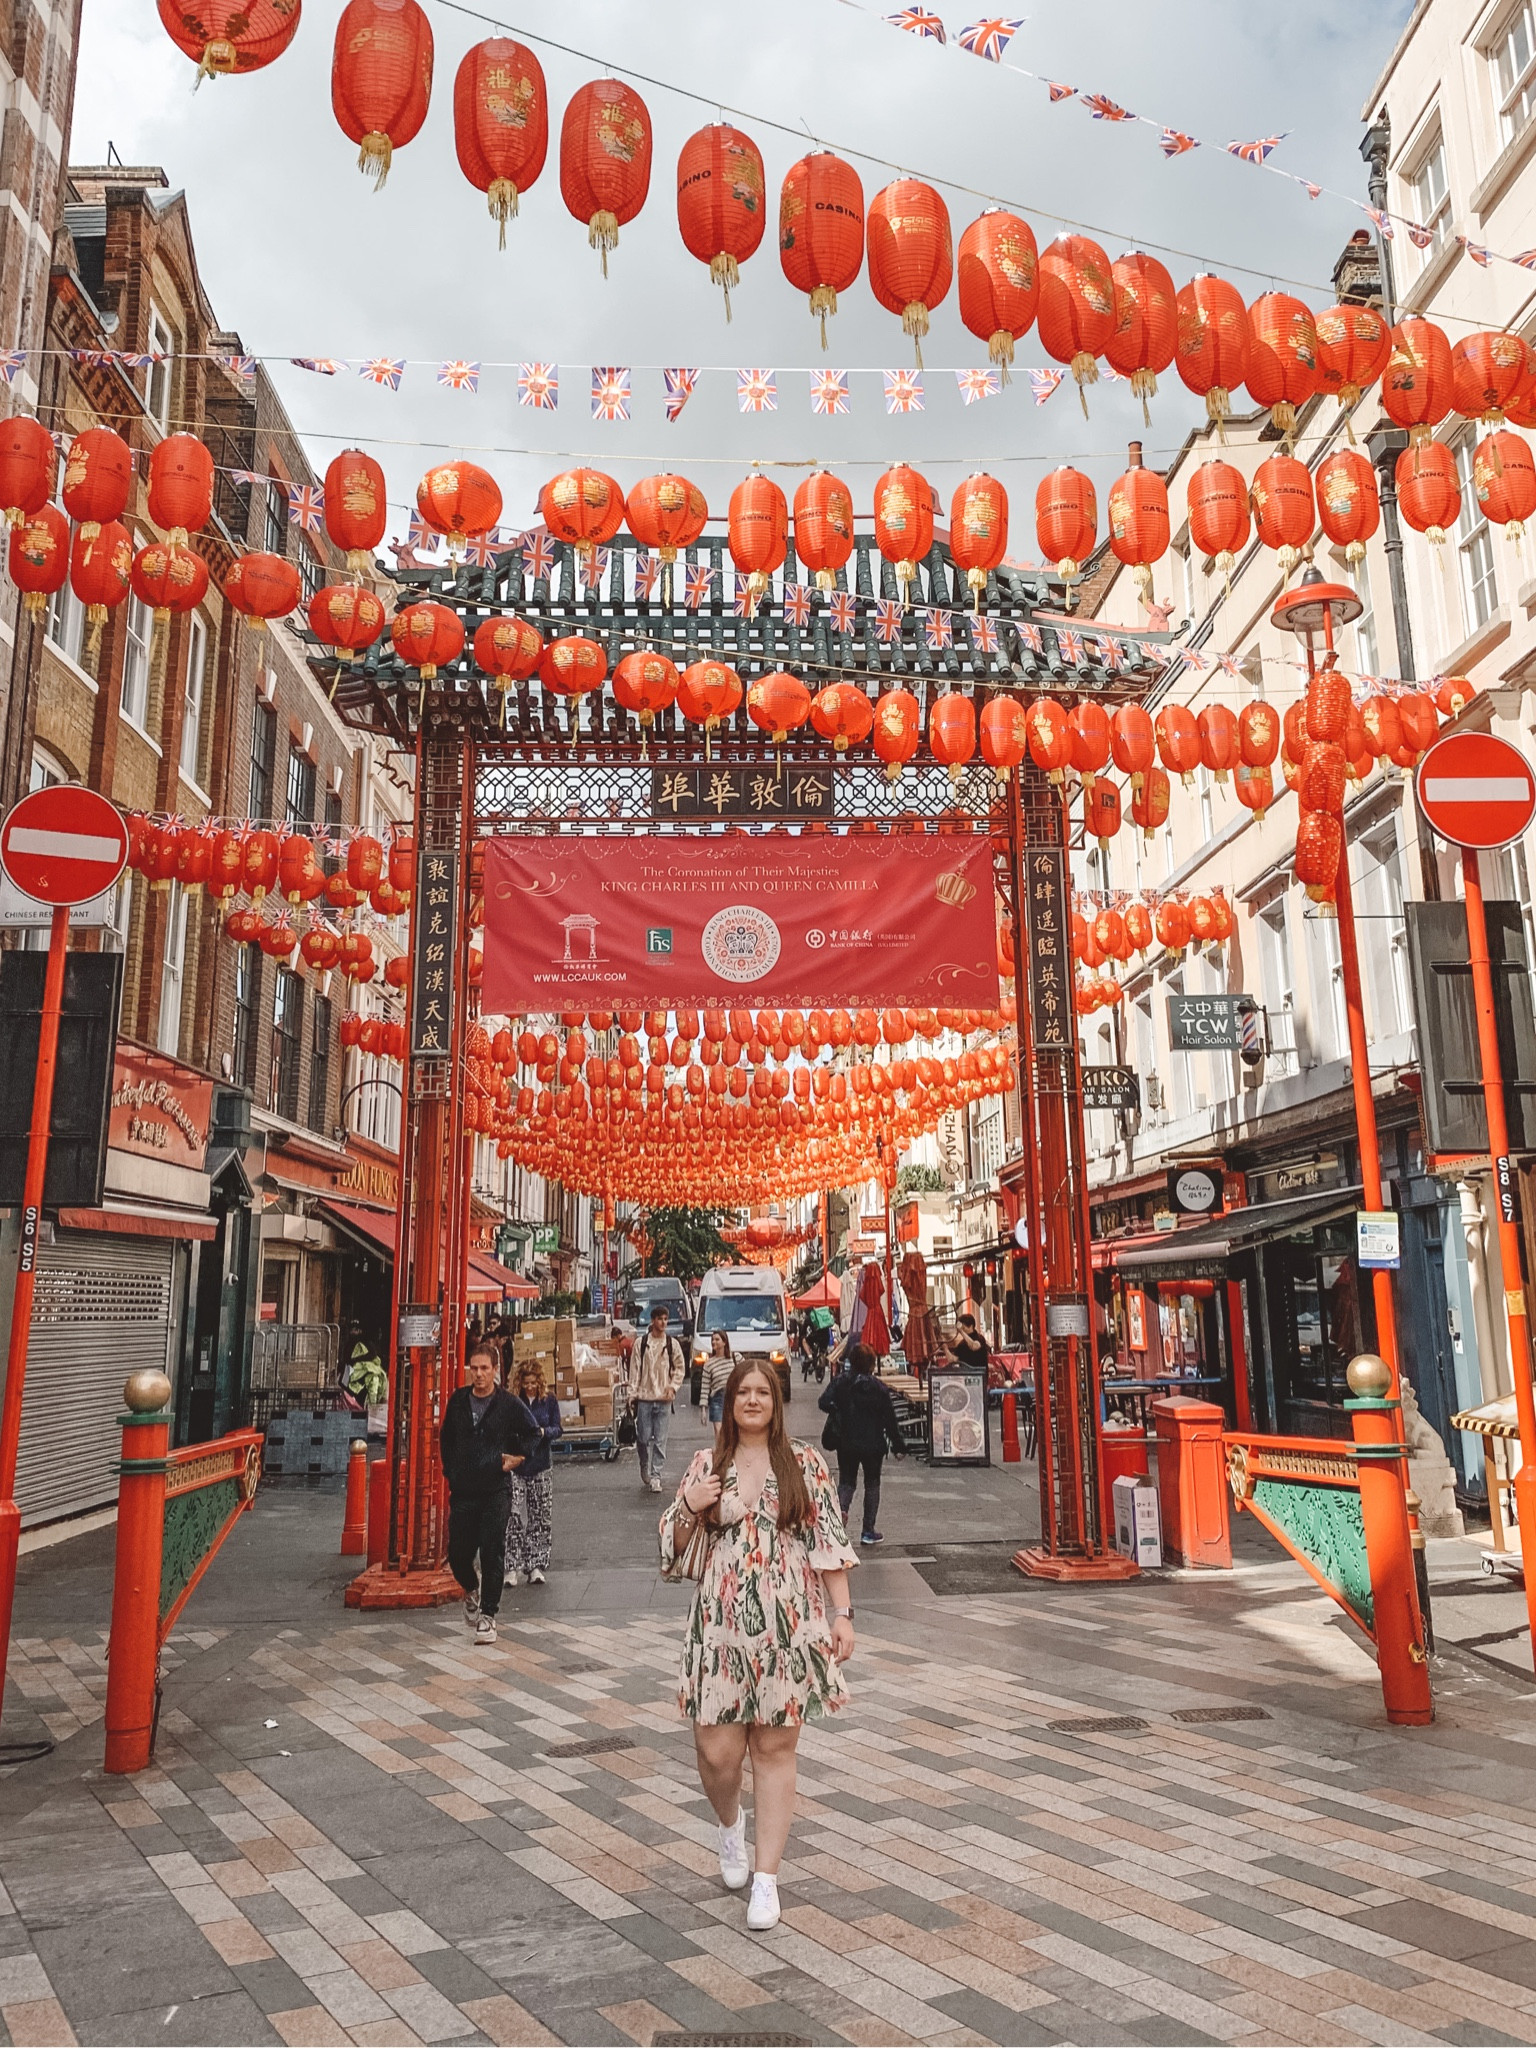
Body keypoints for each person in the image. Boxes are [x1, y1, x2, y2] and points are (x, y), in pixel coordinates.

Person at [660, 1359, 858, 1933]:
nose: (751, 1400)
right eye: (742, 1392)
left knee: (774, 1750)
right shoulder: (706, 1464)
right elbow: (672, 1550)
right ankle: (729, 1827)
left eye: (761, 1392)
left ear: (776, 1402)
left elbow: (829, 1542)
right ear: (729, 1403)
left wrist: (841, 1615)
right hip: (719, 1628)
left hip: (787, 1627)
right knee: (717, 1753)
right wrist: (692, 1505)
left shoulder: (804, 1465)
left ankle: (767, 1880)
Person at [439, 1343, 541, 1644]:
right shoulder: (458, 1401)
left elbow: (534, 1432)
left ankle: (488, 1616)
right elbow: (446, 1438)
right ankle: (471, 1589)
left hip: (496, 1488)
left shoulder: (508, 1404)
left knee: (492, 1550)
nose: (479, 1374)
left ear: (496, 1371)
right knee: (458, 1554)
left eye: (485, 1368)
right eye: (475, 1368)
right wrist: (451, 1471)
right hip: (464, 1489)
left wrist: (518, 1457)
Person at [818, 1342, 904, 1546]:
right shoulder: (879, 1389)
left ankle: (839, 1519)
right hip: (873, 1445)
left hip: (846, 1443)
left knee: (847, 1482)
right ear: (872, 1365)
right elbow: (890, 1420)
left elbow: (823, 1402)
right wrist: (899, 1446)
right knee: (872, 1485)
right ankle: (868, 1530)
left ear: (851, 1362)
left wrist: (838, 1408)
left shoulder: (840, 1383)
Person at [505, 1359, 562, 1587]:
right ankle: (511, 1566)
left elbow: (558, 1429)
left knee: (540, 1517)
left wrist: (543, 1432)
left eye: (533, 1383)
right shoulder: (512, 1403)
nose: (529, 1387)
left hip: (541, 1465)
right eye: (525, 1383)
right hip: (517, 1466)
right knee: (513, 1515)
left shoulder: (549, 1401)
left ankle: (536, 1565)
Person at [630, 1302, 686, 1494]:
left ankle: (656, 1475)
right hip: (645, 1397)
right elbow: (635, 1369)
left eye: (665, 1319)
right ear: (653, 1321)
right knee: (643, 1438)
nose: (663, 1323)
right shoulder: (641, 1343)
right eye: (660, 1319)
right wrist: (632, 1393)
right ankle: (644, 1464)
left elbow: (680, 1368)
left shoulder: (672, 1344)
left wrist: (673, 1387)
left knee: (660, 1439)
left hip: (664, 1398)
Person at [700, 1329, 734, 1425]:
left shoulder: (735, 1358)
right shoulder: (709, 1364)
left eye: (717, 1339)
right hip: (717, 1398)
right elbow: (705, 1388)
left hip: (733, 1397)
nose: (713, 1342)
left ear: (724, 1342)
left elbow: (745, 1374)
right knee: (719, 1430)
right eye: (712, 1340)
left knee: (732, 1432)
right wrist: (703, 1410)